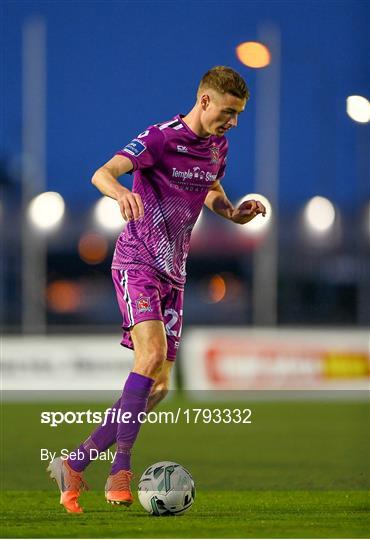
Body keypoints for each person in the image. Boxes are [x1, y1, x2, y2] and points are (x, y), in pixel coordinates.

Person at [47, 66, 266, 513]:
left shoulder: (218, 147)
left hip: (175, 275)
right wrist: (119, 194)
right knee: (149, 358)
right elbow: (103, 173)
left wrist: (232, 212)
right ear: (205, 101)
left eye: (239, 114)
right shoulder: (160, 138)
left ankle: (75, 463)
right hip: (138, 262)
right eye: (228, 111)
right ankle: (119, 472)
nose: (234, 122)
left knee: (159, 387)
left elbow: (210, 188)